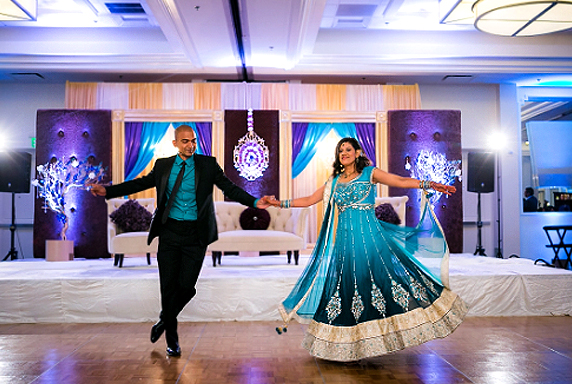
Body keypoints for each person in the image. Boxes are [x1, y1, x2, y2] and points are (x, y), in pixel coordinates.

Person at [270, 137, 468, 362]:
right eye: (340, 151)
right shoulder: (334, 182)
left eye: (347, 149)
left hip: (370, 240)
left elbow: (399, 180)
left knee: (381, 284)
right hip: (345, 245)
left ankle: (383, 336)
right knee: (347, 289)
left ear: (357, 152)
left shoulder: (369, 173)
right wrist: (279, 203)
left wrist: (429, 184)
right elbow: (308, 200)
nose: (343, 153)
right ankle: (349, 344)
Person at [88, 125, 273, 357]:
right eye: (185, 141)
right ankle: (172, 341)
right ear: (175, 144)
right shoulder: (163, 166)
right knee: (168, 288)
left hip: (196, 235)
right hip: (169, 233)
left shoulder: (207, 165)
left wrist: (255, 202)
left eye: (193, 141)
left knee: (186, 287)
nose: (190, 145)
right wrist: (109, 191)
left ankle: (163, 321)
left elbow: (230, 189)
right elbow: (140, 184)